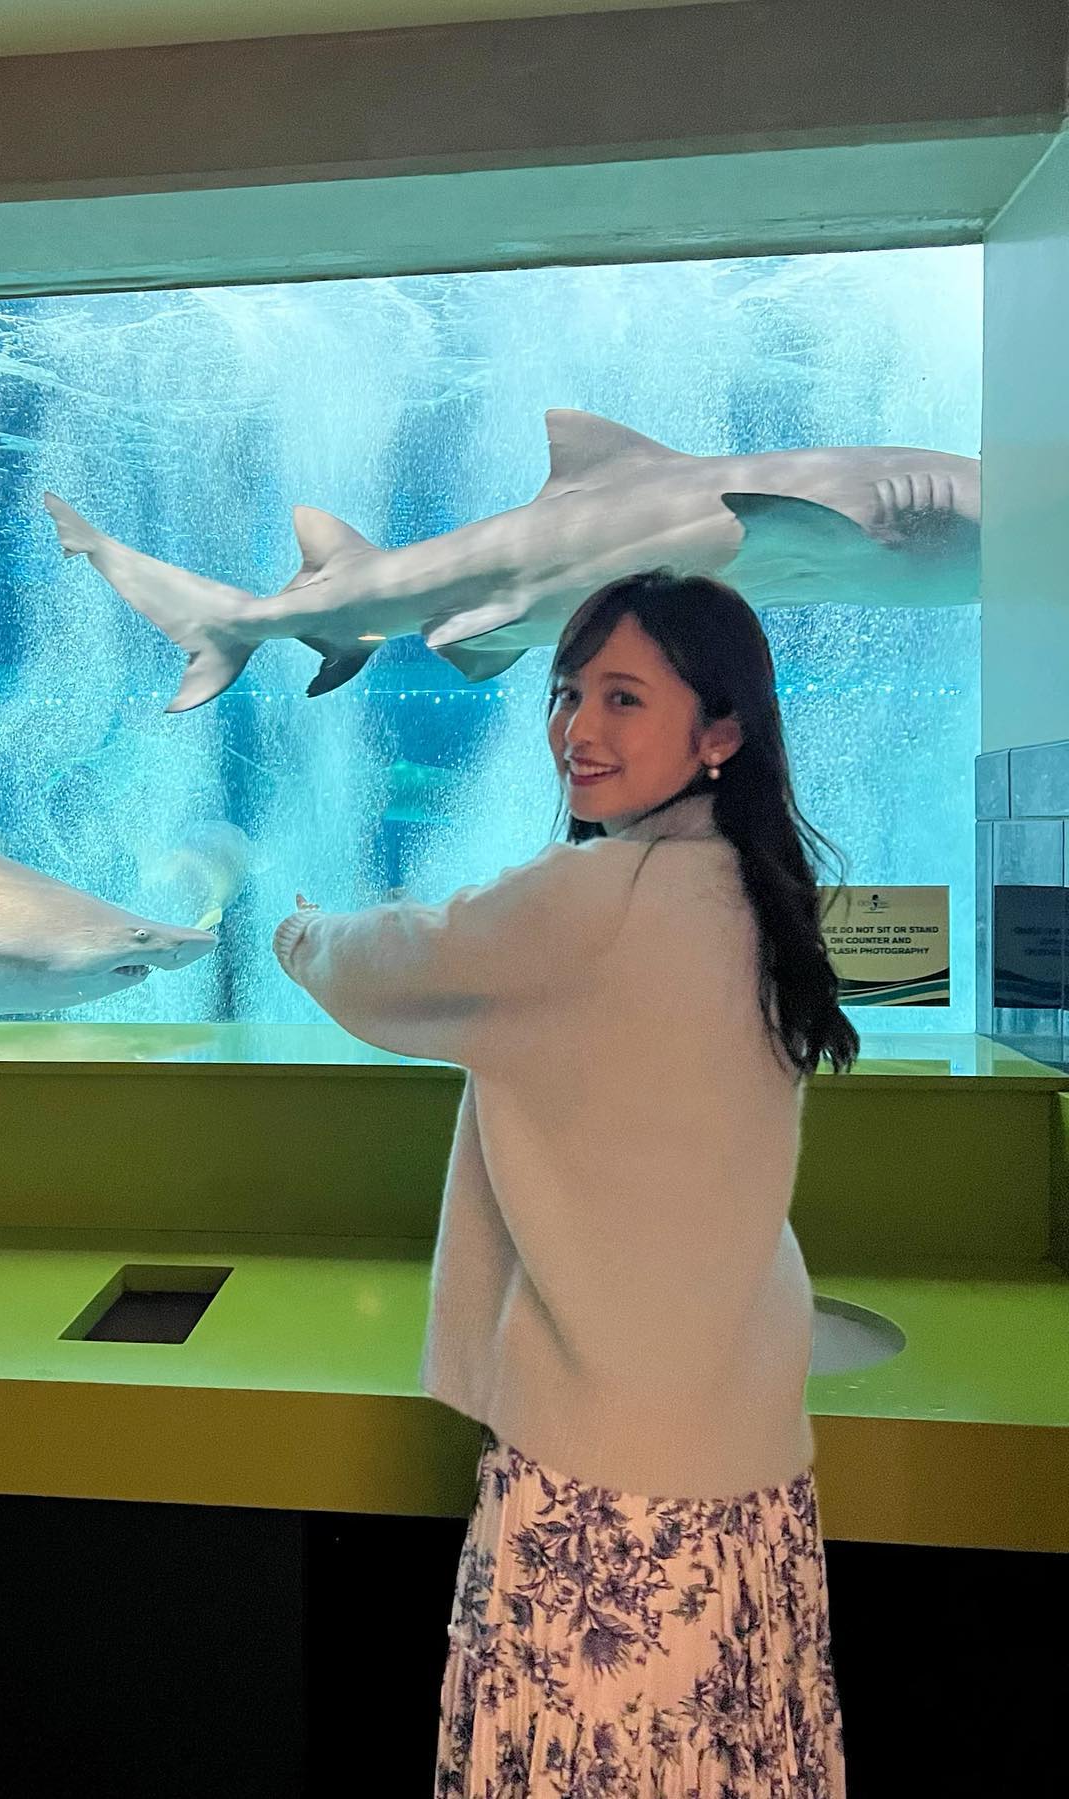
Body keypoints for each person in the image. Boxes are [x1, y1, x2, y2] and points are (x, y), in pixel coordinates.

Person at [272, 569, 854, 1797]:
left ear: (720, 731)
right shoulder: (763, 897)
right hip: (749, 1484)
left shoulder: (590, 900)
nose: (577, 730)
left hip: (603, 1493)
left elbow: (397, 969)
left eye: (624, 697)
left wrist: (300, 933)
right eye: (568, 690)